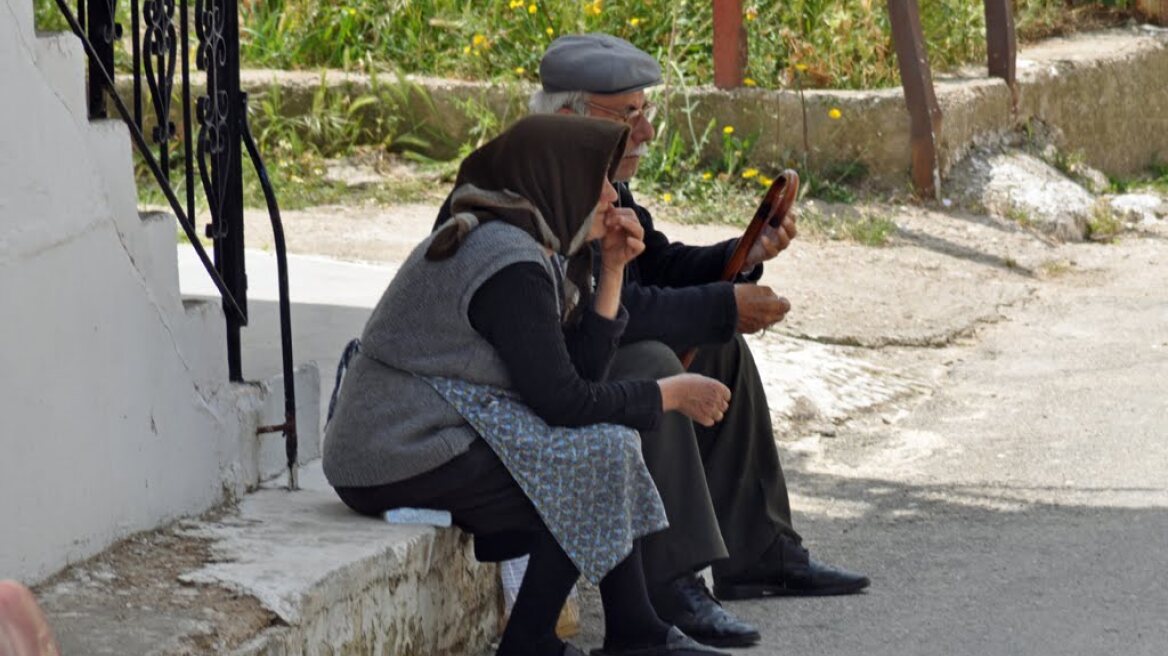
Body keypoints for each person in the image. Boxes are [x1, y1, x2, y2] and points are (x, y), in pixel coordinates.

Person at [323, 115, 735, 656]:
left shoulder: (527, 245)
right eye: (600, 182)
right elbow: (563, 402)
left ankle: (634, 632)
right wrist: (669, 394)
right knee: (593, 461)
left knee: (600, 455)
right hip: (393, 451)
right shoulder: (504, 261)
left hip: (432, 435)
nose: (614, 197)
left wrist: (612, 270)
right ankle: (538, 644)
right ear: (558, 184)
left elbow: (578, 375)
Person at [523, 33, 870, 647]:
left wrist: (742, 257)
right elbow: (612, 307)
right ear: (569, 118)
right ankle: (669, 586)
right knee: (658, 363)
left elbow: (653, 266)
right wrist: (721, 304)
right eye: (627, 115)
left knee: (720, 346)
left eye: (644, 112)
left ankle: (759, 551)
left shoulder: (603, 179)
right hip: (543, 377)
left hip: (589, 351)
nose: (646, 131)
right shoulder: (544, 186)